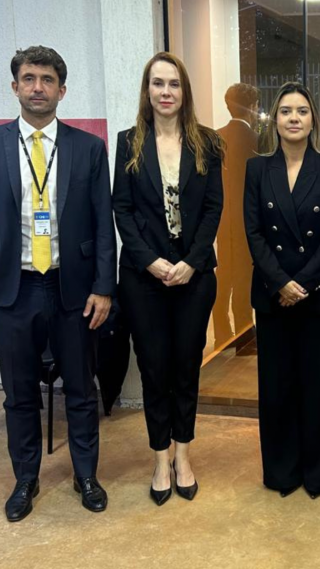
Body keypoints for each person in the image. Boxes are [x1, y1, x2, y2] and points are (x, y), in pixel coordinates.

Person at [0, 46, 116, 522]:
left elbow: (102, 223)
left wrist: (104, 287)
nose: (37, 87)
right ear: (15, 86)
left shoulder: (88, 147)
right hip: (13, 291)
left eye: (47, 80)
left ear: (61, 90)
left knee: (81, 390)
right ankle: (25, 479)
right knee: (20, 394)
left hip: (74, 290)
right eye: (28, 78)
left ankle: (86, 475)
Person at [112, 52, 224, 506]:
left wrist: (192, 262)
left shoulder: (208, 143)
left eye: (173, 84)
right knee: (154, 369)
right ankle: (160, 459)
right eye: (157, 83)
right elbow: (122, 209)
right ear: (147, 90)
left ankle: (183, 455)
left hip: (194, 277)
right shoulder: (128, 142)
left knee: (186, 367)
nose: (165, 92)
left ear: (184, 91)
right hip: (144, 278)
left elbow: (213, 208)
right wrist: (151, 262)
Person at [244, 82, 320, 498]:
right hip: (273, 296)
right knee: (277, 389)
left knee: (319, 388)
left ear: (313, 120)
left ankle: (319, 475)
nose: (293, 118)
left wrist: (302, 283)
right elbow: (253, 231)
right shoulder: (257, 169)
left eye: (302, 111)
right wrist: (280, 283)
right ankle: (282, 473)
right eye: (286, 111)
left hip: (318, 295)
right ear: (275, 120)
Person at [213, 83, 259, 348]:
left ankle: (221, 334)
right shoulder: (257, 141)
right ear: (252, 107)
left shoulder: (215, 139)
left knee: (224, 276)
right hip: (248, 221)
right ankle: (244, 337)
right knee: (244, 277)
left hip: (222, 220)